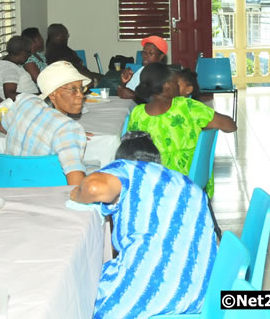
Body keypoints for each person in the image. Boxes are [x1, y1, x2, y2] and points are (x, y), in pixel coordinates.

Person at [70, 131, 217, 319]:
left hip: (145, 293)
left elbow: (93, 188)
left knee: (80, 296)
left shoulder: (126, 168)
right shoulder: (186, 182)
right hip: (200, 296)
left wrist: (77, 194)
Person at [126, 62, 237, 197]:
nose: (177, 86)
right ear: (167, 86)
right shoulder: (187, 107)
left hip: (151, 182)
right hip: (190, 179)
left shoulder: (137, 113)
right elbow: (230, 126)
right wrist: (204, 125)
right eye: (175, 82)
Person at [1, 61, 90, 185]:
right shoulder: (67, 128)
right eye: (73, 90)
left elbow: (2, 127)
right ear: (52, 93)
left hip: (9, 185)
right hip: (45, 193)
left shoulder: (25, 100)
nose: (80, 95)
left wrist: (46, 133)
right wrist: (62, 133)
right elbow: (75, 184)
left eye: (81, 88)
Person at [118, 35, 169, 100]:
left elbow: (159, 102)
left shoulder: (164, 75)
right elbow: (126, 92)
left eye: (150, 53)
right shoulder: (142, 70)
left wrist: (134, 96)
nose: (145, 56)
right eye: (144, 52)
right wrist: (124, 83)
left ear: (161, 56)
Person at [0, 35, 39, 100]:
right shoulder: (9, 69)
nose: (29, 56)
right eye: (29, 54)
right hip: (23, 106)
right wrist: (35, 97)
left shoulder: (11, 64)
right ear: (22, 53)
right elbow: (10, 95)